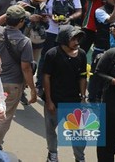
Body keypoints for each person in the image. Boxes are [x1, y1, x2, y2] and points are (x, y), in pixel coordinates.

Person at [0, 6, 37, 149]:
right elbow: (26, 68)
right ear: (21, 21)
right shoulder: (24, 41)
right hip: (13, 84)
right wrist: (33, 90)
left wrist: (9, 11)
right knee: (5, 116)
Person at [42, 25, 87, 162]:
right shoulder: (52, 54)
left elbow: (83, 76)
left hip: (73, 102)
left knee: (78, 134)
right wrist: (49, 101)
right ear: (63, 39)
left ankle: (80, 158)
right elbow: (46, 77)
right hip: (54, 101)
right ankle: (52, 154)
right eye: (73, 39)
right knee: (51, 130)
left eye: (78, 39)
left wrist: (83, 97)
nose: (76, 42)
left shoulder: (82, 54)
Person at [95, 44, 115, 161]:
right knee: (106, 147)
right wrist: (113, 81)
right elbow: (98, 73)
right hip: (111, 110)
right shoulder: (113, 54)